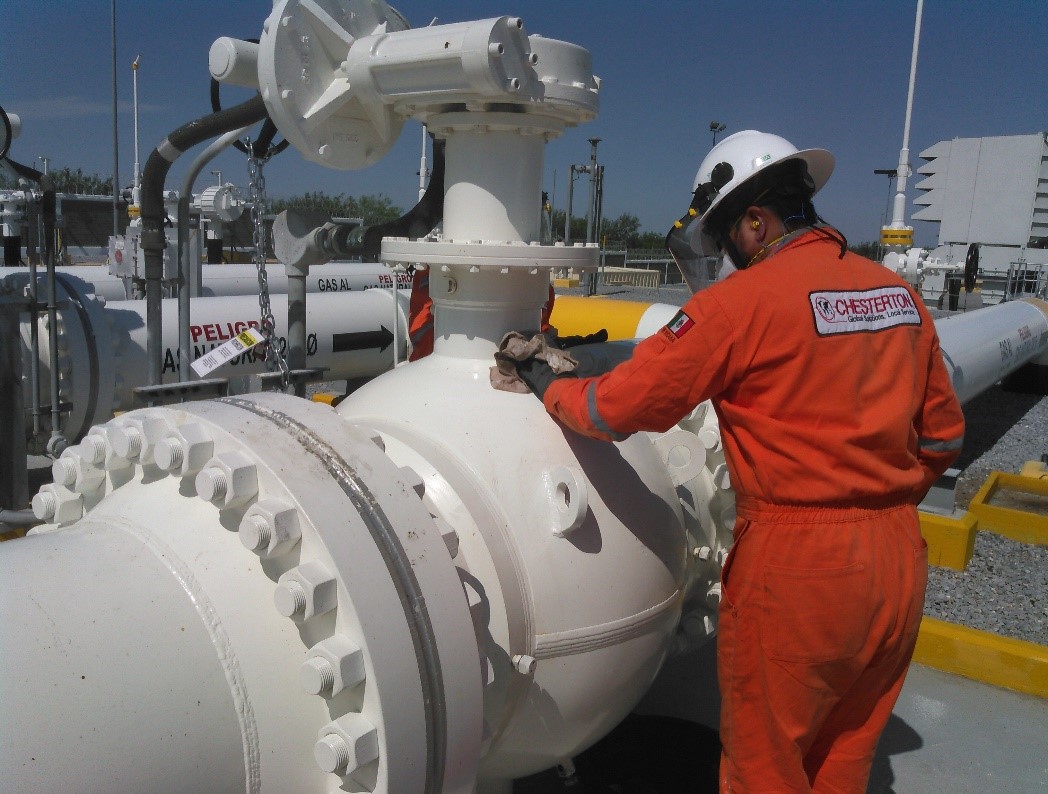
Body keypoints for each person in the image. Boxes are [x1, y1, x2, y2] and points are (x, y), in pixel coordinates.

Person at [512, 130, 965, 793]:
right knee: (844, 756)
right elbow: (943, 440)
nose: (725, 257)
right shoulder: (898, 296)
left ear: (755, 223)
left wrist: (551, 386)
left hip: (798, 570)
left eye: (725, 239)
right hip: (897, 557)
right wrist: (875, 504)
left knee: (764, 768)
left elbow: (620, 407)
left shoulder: (739, 306)